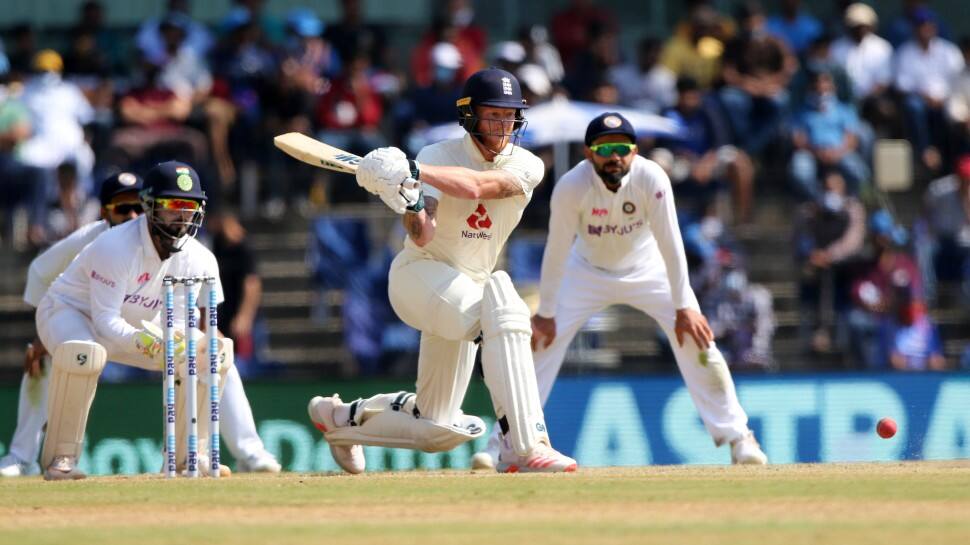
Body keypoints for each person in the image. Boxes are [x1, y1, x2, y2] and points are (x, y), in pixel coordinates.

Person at [307, 68, 577, 474]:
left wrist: (412, 173)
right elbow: (422, 234)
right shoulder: (435, 155)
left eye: (509, 116)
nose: (503, 125)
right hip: (420, 276)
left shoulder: (527, 165)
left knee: (436, 429)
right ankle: (523, 447)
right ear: (469, 116)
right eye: (493, 115)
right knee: (504, 311)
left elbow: (477, 188)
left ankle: (342, 419)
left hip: (464, 288)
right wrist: (407, 200)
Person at [472, 112, 768, 469]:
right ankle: (500, 445)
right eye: (605, 148)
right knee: (538, 346)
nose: (614, 156)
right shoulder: (572, 185)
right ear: (588, 153)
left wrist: (685, 305)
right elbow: (557, 249)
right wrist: (547, 312)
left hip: (647, 269)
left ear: (634, 151)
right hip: (585, 273)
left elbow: (671, 243)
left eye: (622, 149)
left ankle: (739, 438)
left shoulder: (651, 177)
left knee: (698, 340)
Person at [32, 162, 229, 480]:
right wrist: (145, 340)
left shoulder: (199, 258)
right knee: (86, 353)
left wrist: (176, 340)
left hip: (137, 327)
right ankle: (61, 459)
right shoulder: (116, 246)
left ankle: (189, 456)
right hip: (68, 313)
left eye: (189, 207)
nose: (182, 216)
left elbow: (179, 319)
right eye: (173, 206)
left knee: (210, 351)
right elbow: (106, 320)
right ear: (150, 206)